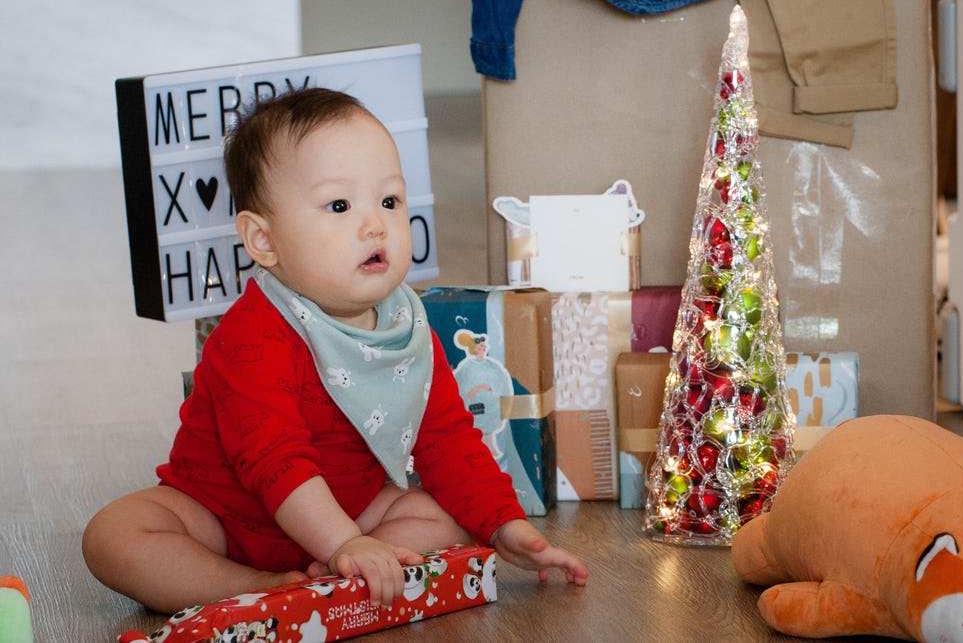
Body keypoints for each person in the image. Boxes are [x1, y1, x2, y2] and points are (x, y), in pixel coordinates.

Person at [83, 88, 587, 614]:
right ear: (263, 240)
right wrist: (341, 543)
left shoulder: (405, 327)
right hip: (223, 516)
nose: (375, 225)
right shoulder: (252, 335)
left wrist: (505, 524)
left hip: (353, 513)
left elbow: (448, 439)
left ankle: (331, 577)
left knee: (444, 519)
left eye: (389, 201)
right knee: (115, 536)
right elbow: (273, 461)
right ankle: (252, 587)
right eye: (340, 206)